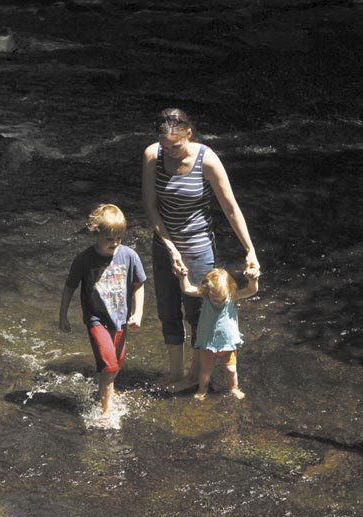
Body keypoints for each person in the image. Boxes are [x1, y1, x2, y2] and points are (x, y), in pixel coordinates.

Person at [141, 108, 260, 391]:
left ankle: (194, 375)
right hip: (164, 245)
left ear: (189, 134)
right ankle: (174, 371)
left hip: (199, 249)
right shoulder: (151, 156)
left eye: (176, 145)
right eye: (165, 146)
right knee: (168, 311)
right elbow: (150, 206)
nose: (169, 151)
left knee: (198, 314)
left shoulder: (207, 160)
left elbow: (231, 208)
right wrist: (169, 246)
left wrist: (250, 249)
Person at [58, 204, 146, 418]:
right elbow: (70, 287)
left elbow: (139, 284)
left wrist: (138, 312)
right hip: (96, 319)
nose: (114, 243)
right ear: (96, 234)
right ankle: (106, 414)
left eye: (119, 238)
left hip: (121, 319)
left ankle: (103, 395)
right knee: (109, 366)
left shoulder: (129, 256)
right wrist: (63, 315)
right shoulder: (84, 259)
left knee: (115, 365)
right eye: (109, 238)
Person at [177, 267, 259, 400]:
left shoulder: (232, 295)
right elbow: (187, 289)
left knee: (231, 369)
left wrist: (252, 280)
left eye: (221, 299)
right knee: (205, 370)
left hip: (228, 342)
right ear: (208, 291)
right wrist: (183, 277)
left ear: (228, 289)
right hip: (208, 342)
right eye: (214, 299)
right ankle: (202, 389)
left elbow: (252, 290)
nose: (218, 302)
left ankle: (234, 388)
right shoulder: (205, 295)